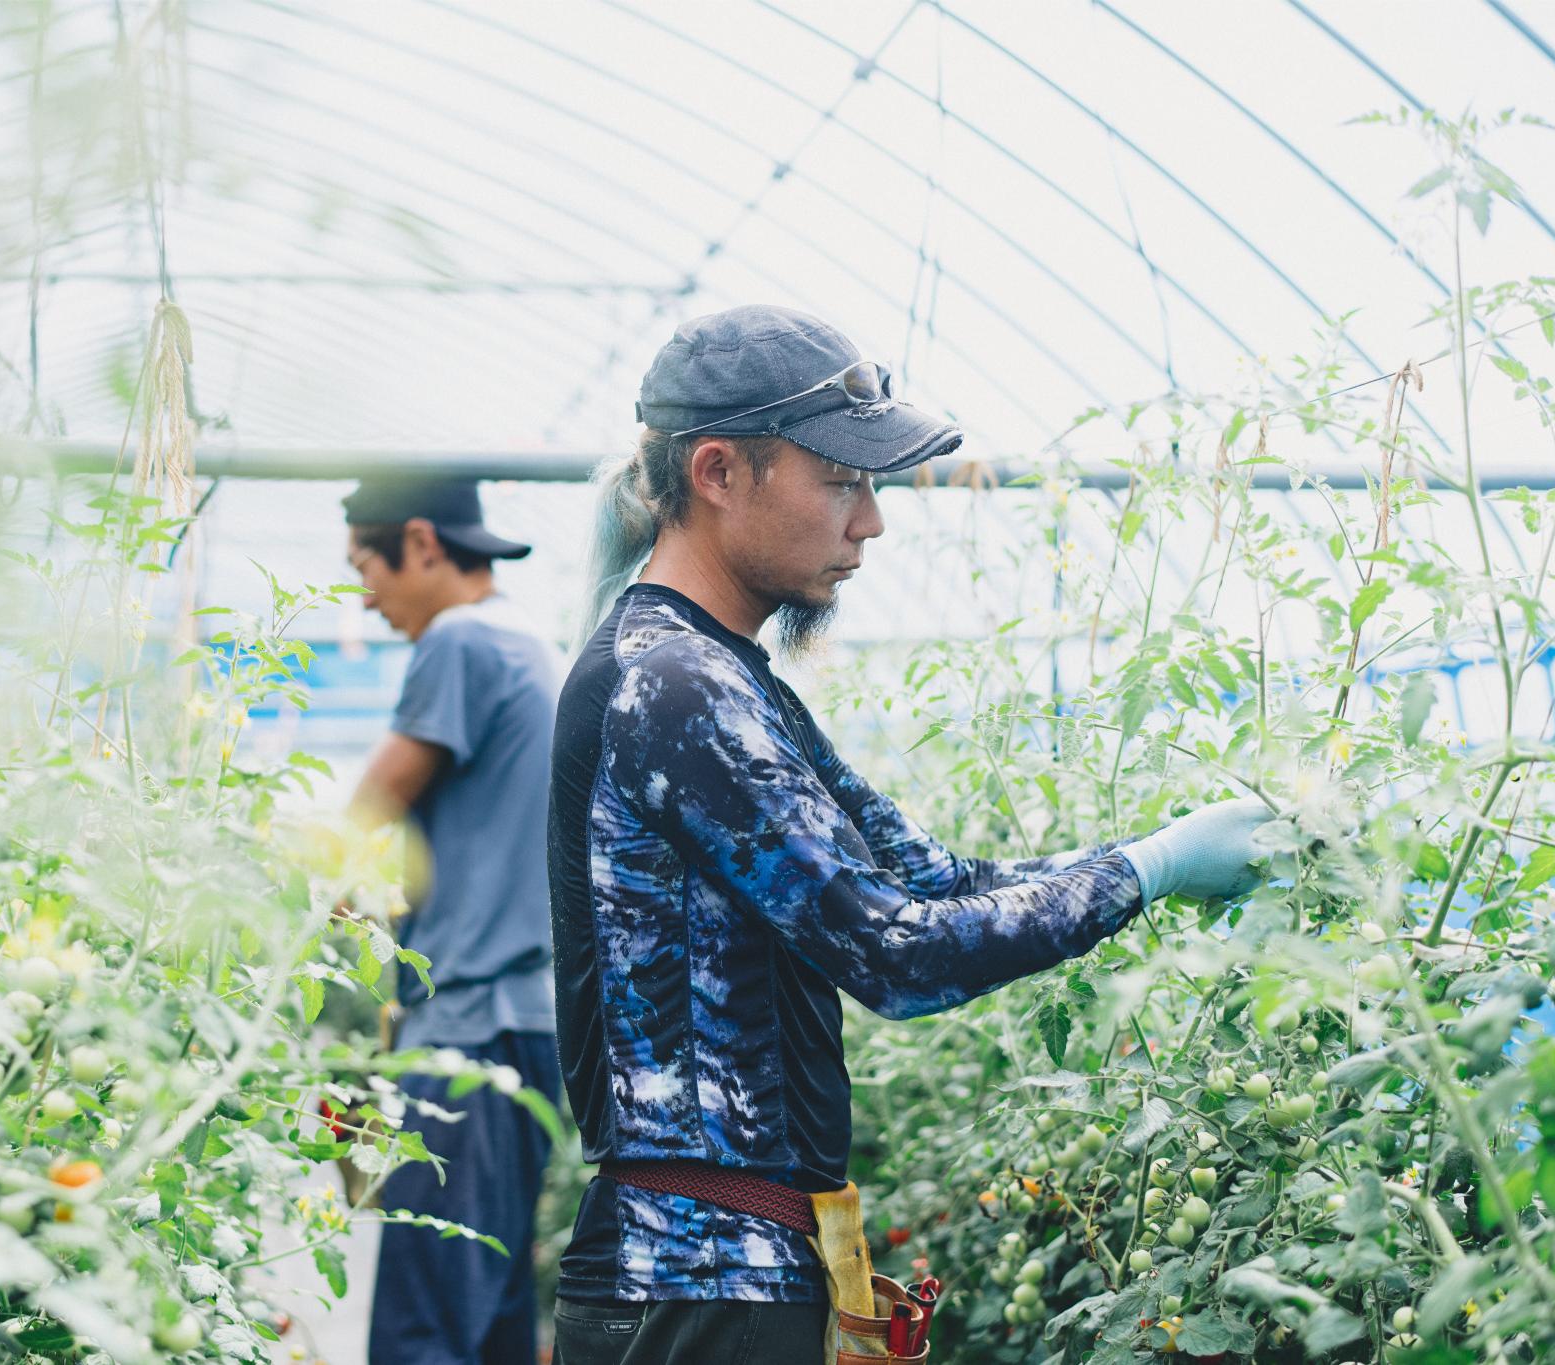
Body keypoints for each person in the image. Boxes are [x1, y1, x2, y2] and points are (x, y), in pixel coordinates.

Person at [546, 305, 1271, 1362]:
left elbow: (933, 882)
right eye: (842, 480)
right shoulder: (672, 688)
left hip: (729, 1274)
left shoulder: (730, 680)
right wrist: (1148, 872)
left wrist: (1171, 852)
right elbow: (899, 954)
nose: (870, 521)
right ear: (717, 472)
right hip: (693, 1285)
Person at [342, 477, 564, 1365]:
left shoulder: (463, 638)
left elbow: (370, 806)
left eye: (366, 563)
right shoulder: (523, 641)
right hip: (521, 1028)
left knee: (424, 1328)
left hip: (467, 1034)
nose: (364, 594)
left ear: (422, 542)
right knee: (491, 1312)